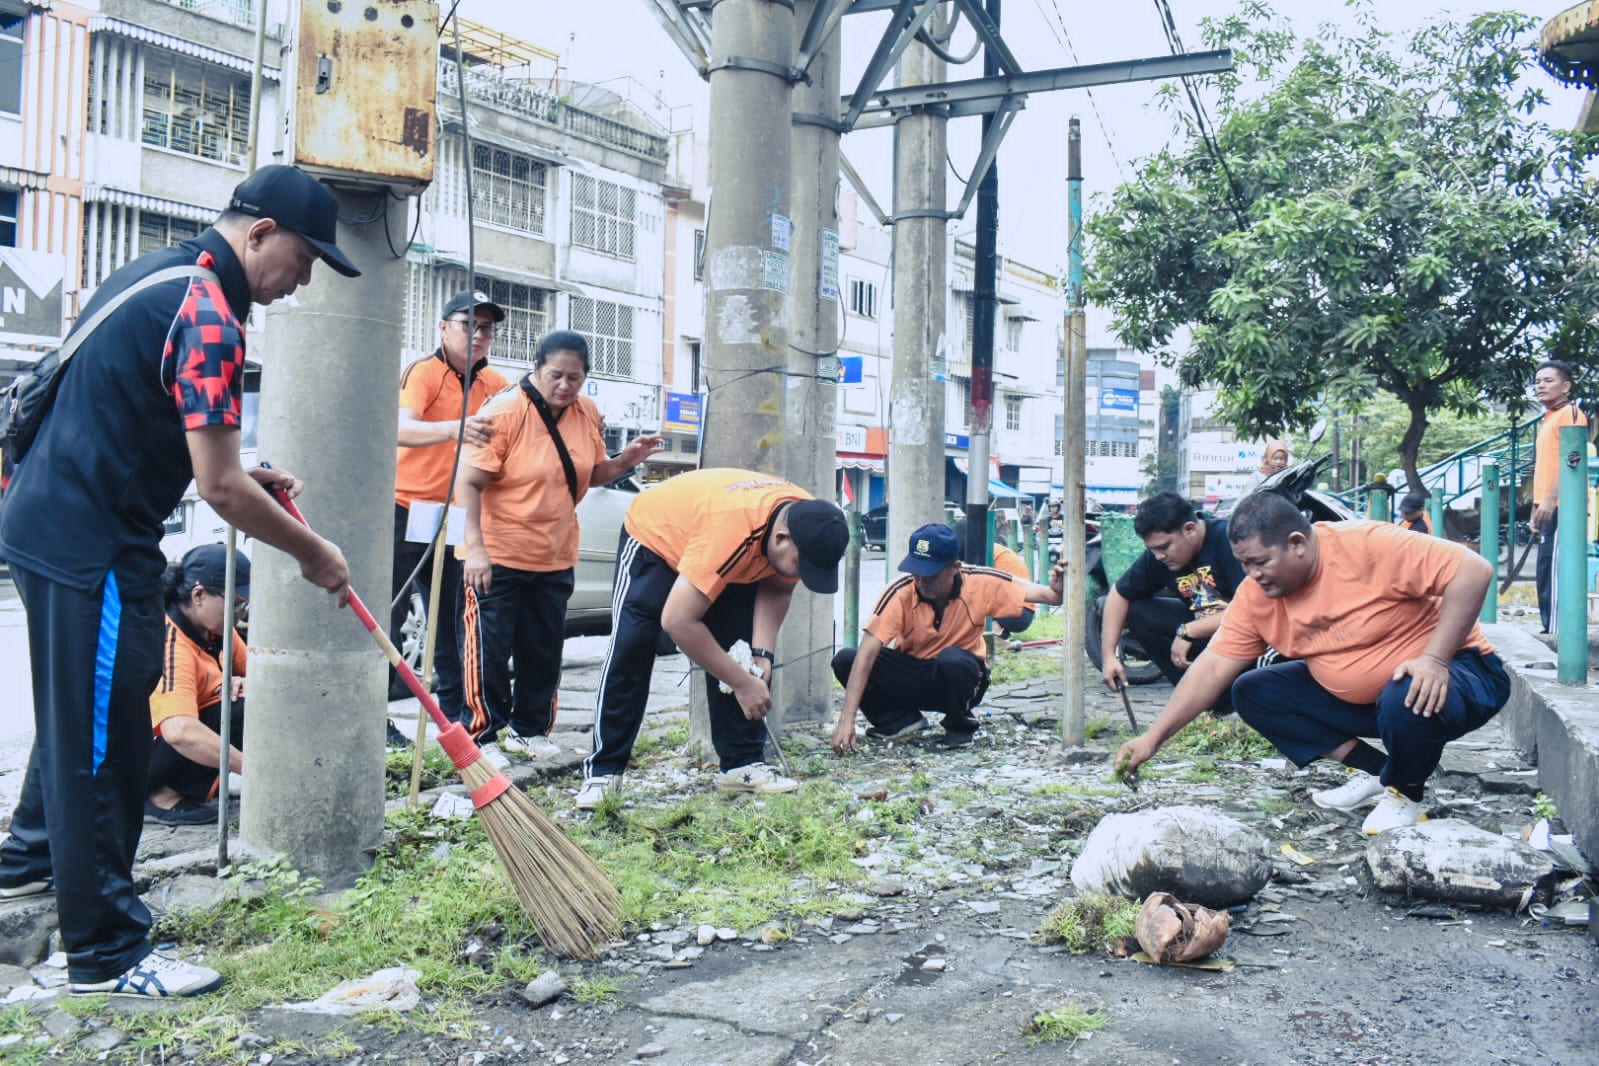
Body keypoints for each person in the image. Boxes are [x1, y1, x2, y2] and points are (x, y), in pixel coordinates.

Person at [0, 164, 355, 999]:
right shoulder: (211, 316)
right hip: (91, 539)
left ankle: (25, 866)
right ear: (260, 232)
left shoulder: (158, 274)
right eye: (303, 260)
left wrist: (247, 473)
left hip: (53, 519)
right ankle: (107, 953)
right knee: (109, 738)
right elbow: (220, 488)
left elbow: (156, 426)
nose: (300, 282)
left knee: (79, 714)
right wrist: (311, 551)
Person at [1116, 492, 1509, 835]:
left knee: (1404, 691)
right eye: (1244, 565)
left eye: (1261, 562)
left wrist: (1435, 659)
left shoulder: (1366, 545)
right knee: (1252, 691)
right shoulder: (1257, 595)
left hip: (1459, 674)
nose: (1252, 576)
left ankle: (1405, 791)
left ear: (1298, 542)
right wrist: (1153, 738)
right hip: (1374, 698)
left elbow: (1474, 571)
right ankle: (1378, 773)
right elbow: (1213, 667)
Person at [578, 469, 849, 809]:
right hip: (657, 537)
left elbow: (779, 587)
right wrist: (740, 683)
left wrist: (761, 655)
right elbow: (678, 622)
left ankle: (742, 763)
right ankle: (604, 771)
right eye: (800, 565)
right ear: (781, 539)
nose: (801, 573)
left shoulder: (811, 525)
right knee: (633, 645)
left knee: (741, 652)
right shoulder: (733, 533)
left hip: (731, 541)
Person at [459, 331, 662, 767]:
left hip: (555, 553)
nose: (565, 385)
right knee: (490, 652)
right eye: (556, 375)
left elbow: (589, 474)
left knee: (544, 651)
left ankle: (530, 730)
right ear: (536, 369)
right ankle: (483, 736)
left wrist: (626, 461)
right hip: (497, 554)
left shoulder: (586, 412)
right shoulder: (505, 410)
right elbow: (469, 481)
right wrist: (474, 548)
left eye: (575, 377)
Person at [830, 523, 1065, 753]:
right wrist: (846, 719)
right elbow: (867, 653)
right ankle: (898, 721)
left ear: (954, 568)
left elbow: (1051, 596)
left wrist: (1058, 586)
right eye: (917, 573)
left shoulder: (980, 581)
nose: (921, 582)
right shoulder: (900, 591)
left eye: (930, 576)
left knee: (953, 660)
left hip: (959, 678)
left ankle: (960, 726)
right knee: (846, 659)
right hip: (913, 674)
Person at [389, 291, 510, 722]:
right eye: (468, 325)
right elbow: (400, 429)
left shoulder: (495, 384)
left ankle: (462, 715)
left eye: (486, 328)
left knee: (457, 615)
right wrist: (455, 429)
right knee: (393, 610)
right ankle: (378, 717)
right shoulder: (424, 373)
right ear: (443, 327)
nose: (478, 335)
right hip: (407, 508)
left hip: (459, 514)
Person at [1098, 492, 1246, 698]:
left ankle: (1233, 698)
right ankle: (1196, 699)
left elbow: (1254, 610)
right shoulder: (1160, 556)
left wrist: (1189, 630)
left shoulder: (1229, 540)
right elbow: (1118, 593)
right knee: (1137, 610)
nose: (1159, 556)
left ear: (1190, 529)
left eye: (1164, 547)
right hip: (1202, 633)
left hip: (1245, 637)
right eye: (1153, 550)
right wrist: (1109, 657)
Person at [146, 545, 251, 826]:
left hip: (173, 739)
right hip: (135, 754)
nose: (241, 613)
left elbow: (262, 676)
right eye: (237, 603)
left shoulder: (217, 631)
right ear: (199, 595)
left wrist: (245, 681)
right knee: (230, 710)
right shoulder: (169, 640)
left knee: (247, 701)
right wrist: (256, 772)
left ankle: (197, 787)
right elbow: (179, 731)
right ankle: (158, 795)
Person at [1531, 360, 1586, 633]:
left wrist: (1551, 500)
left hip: (1564, 505)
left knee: (1555, 570)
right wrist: (1537, 504)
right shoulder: (1548, 418)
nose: (1541, 385)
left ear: (1566, 386)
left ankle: (1556, 632)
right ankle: (1549, 627)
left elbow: (1572, 459)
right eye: (1538, 381)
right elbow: (1545, 466)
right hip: (1548, 505)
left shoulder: (1571, 414)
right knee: (1544, 568)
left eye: (1548, 380)